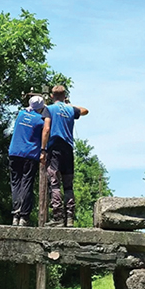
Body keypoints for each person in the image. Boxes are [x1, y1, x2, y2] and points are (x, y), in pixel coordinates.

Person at [45, 85, 88, 227]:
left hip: (55, 148)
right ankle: (70, 217)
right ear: (65, 95)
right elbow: (85, 111)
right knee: (68, 185)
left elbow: (46, 129)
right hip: (68, 149)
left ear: (52, 96)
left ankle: (57, 217)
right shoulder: (70, 109)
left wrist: (43, 149)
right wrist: (68, 104)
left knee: (54, 183)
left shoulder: (49, 109)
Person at [7, 95, 51, 226]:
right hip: (29, 154)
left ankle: (15, 214)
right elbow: (46, 130)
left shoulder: (20, 115)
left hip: (14, 152)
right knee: (26, 184)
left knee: (16, 184)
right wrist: (43, 150)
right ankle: (24, 216)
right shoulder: (40, 121)